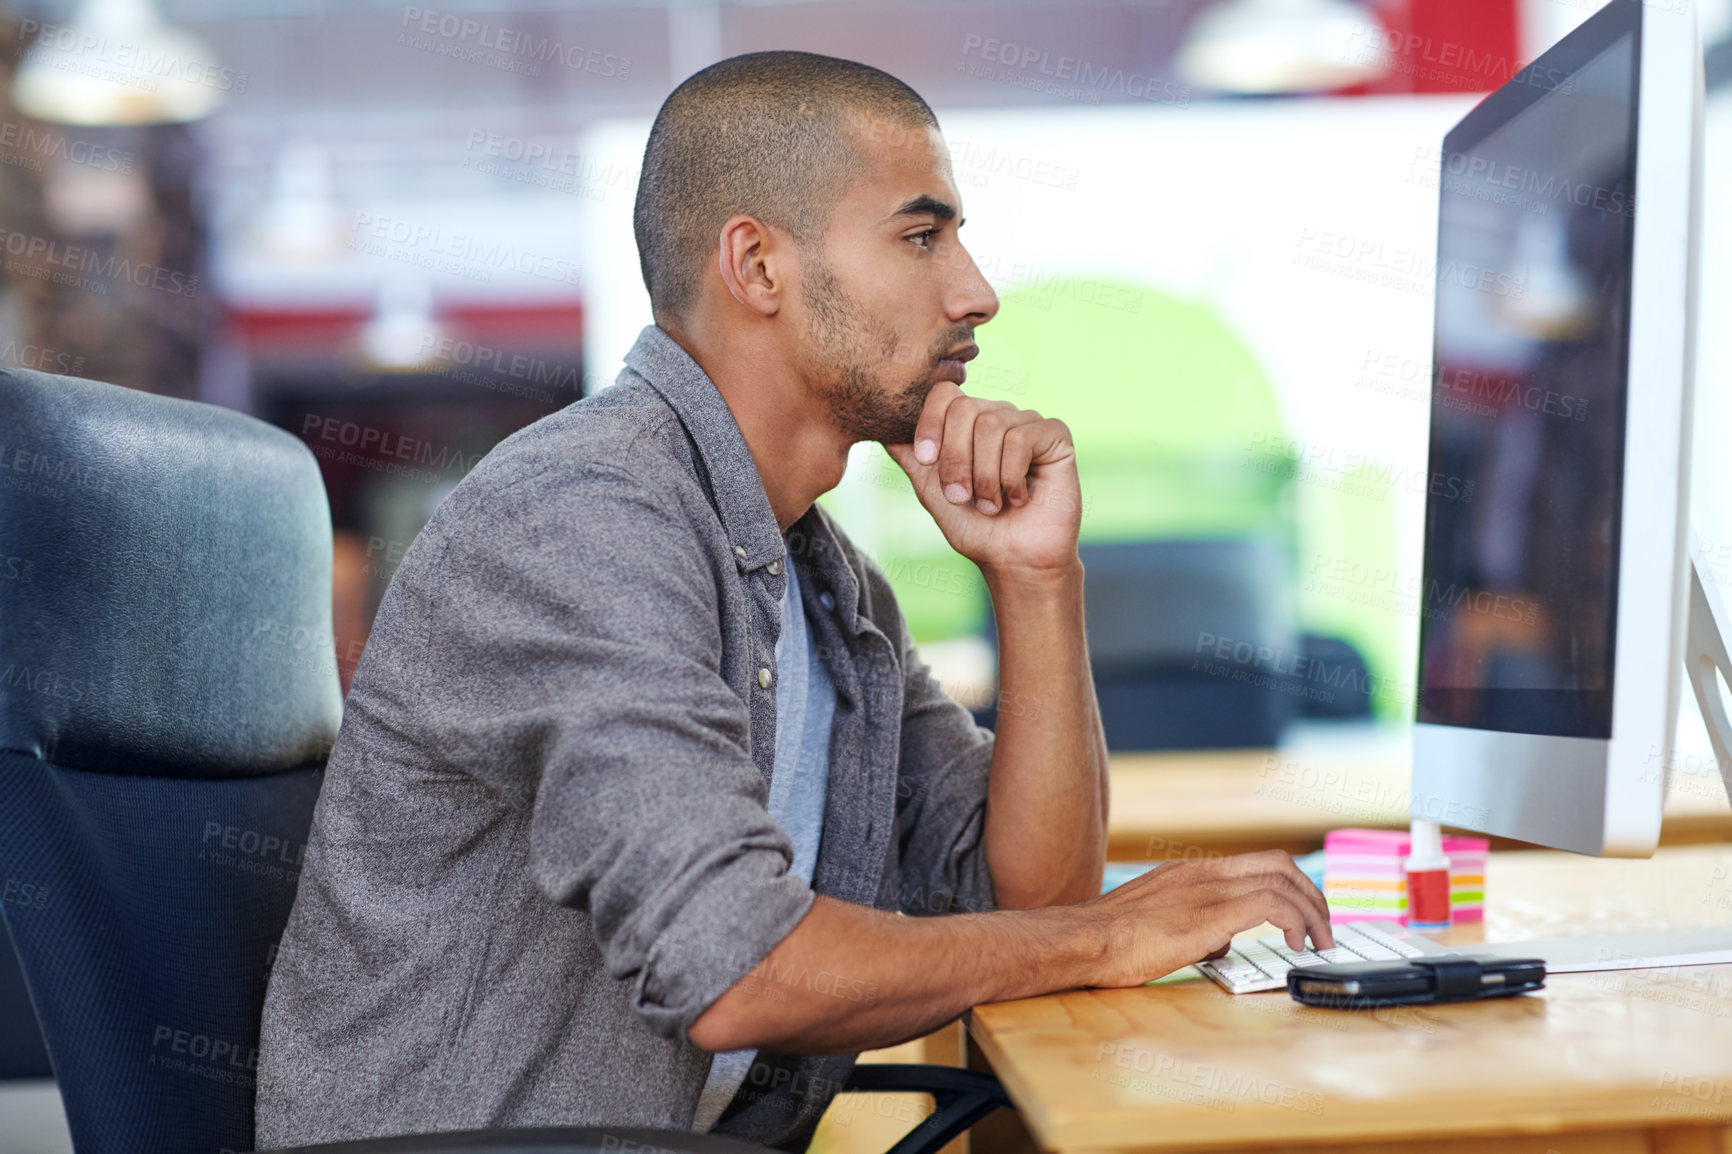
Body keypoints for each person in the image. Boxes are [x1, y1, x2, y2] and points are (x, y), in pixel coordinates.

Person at [253, 49, 1333, 1152]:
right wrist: (1106, 937)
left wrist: (1034, 581)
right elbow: (734, 961)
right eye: (921, 236)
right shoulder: (580, 514)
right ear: (757, 264)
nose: (975, 291)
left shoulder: (821, 573)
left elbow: (1032, 894)